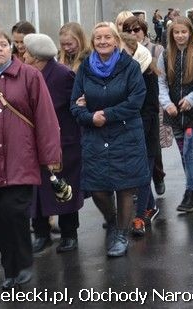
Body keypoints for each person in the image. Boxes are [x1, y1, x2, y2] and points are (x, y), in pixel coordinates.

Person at [0, 29, 61, 288]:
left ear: (12, 49)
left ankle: (22, 261)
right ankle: (9, 268)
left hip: (22, 157)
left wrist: (51, 155)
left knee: (15, 212)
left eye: (4, 45)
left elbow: (45, 116)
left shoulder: (30, 76)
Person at [70, 22, 147, 258]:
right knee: (98, 188)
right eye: (98, 38)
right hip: (95, 135)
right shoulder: (85, 69)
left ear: (116, 40)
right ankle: (112, 220)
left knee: (125, 186)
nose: (103, 42)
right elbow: (74, 104)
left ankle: (121, 234)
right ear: (93, 42)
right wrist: (90, 116)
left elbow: (136, 100)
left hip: (126, 134)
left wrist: (107, 115)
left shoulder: (130, 67)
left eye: (107, 37)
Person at [22, 34, 83, 255]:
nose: (24, 55)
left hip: (63, 142)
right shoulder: (27, 74)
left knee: (63, 189)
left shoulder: (62, 75)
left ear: (37, 57)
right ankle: (41, 233)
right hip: (33, 143)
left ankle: (69, 234)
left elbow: (76, 106)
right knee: (36, 190)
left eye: (27, 52)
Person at [158, 17, 193, 213]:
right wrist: (167, 103)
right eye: (176, 32)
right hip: (173, 113)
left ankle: (190, 192)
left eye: (183, 32)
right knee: (183, 154)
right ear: (171, 34)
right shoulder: (165, 55)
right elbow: (161, 83)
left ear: (190, 33)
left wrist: (190, 99)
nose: (180, 36)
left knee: (189, 152)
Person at [118, 32, 160, 237]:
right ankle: (150, 206)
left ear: (133, 52)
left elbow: (151, 108)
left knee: (142, 173)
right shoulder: (117, 72)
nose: (120, 55)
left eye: (123, 51)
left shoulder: (147, 72)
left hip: (145, 130)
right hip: (125, 129)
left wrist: (138, 130)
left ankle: (140, 217)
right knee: (138, 174)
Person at [123, 16, 166, 196]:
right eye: (129, 31)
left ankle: (157, 178)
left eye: (137, 30)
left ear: (144, 31)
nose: (134, 33)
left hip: (152, 108)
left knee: (153, 149)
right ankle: (143, 192)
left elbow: (160, 79)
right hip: (132, 115)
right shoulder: (121, 55)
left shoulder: (154, 51)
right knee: (139, 153)